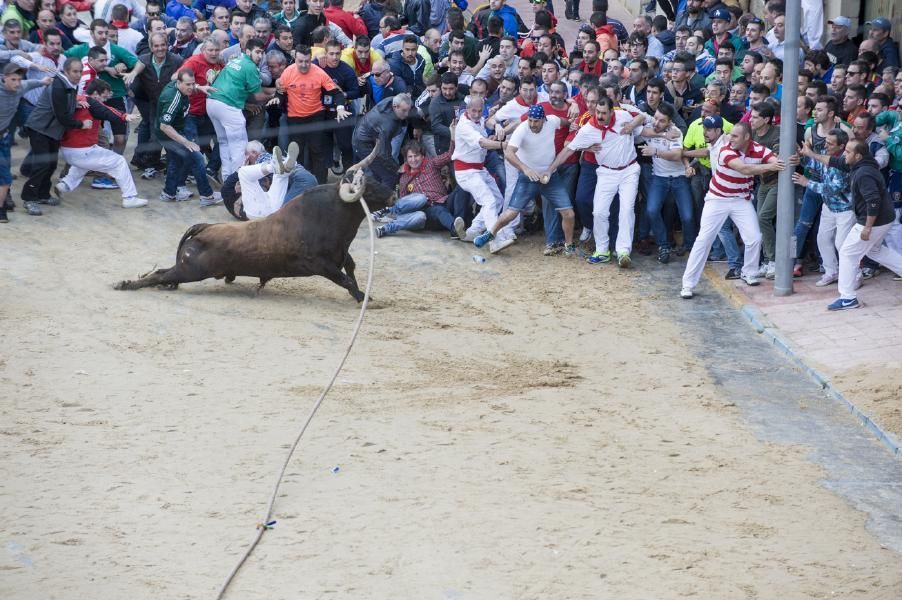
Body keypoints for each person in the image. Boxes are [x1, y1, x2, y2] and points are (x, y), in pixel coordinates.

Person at [680, 120, 785, 299]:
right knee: (703, 240)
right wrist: (770, 166)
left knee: (754, 238)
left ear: (746, 137)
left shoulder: (757, 149)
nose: (729, 138)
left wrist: (780, 162)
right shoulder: (726, 150)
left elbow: (776, 161)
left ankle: (748, 272)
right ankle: (688, 284)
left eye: (735, 136)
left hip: (740, 200)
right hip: (717, 199)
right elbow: (744, 169)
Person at [547, 95, 642, 267]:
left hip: (629, 170)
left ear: (612, 112)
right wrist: (550, 169)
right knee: (599, 212)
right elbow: (569, 149)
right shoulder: (589, 128)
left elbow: (643, 118)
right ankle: (602, 250)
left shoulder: (623, 115)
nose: (599, 116)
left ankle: (623, 251)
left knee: (627, 210)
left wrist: (633, 125)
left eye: (603, 113)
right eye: (597, 111)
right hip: (606, 172)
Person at [476, 104, 575, 255]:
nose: (532, 124)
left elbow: (563, 121)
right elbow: (509, 153)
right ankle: (491, 233)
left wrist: (571, 124)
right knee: (511, 213)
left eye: (536, 121)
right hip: (528, 177)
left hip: (550, 176)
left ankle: (569, 246)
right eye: (530, 120)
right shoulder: (522, 129)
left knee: (568, 213)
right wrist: (525, 169)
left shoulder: (552, 121)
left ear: (544, 120)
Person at [823, 140, 902, 310]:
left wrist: (867, 227)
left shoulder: (864, 173)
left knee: (847, 253)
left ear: (857, 156)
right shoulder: (861, 165)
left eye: (848, 152)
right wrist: (809, 153)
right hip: (883, 218)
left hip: (874, 220)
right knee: (875, 251)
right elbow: (836, 161)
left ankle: (848, 298)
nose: (844, 154)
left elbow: (873, 201)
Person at [54, 79, 148, 209]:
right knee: (119, 161)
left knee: (86, 162)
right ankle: (129, 198)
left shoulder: (74, 100)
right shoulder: (90, 102)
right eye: (103, 97)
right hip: (82, 150)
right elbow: (106, 111)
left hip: (68, 150)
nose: (104, 100)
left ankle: (65, 184)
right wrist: (124, 116)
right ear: (95, 94)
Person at [21, 57, 90, 216]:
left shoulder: (67, 83)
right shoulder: (59, 85)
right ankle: (29, 198)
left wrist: (74, 105)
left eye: (80, 71)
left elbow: (65, 107)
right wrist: (81, 124)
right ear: (66, 71)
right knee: (43, 165)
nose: (78, 74)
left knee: (50, 164)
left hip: (50, 130)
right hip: (40, 129)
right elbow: (62, 116)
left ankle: (43, 195)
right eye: (75, 71)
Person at [277, 44, 349, 183]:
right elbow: (281, 93)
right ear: (295, 59)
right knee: (296, 152)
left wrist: (340, 107)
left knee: (317, 151)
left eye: (307, 61)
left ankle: (320, 183)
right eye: (300, 61)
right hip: (295, 117)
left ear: (311, 59)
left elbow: (336, 93)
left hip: (315, 115)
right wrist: (276, 99)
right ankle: (298, 182)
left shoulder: (318, 72)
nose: (304, 65)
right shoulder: (288, 72)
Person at [791, 128, 853, 287]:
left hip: (845, 209)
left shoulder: (844, 162)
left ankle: (855, 275)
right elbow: (815, 166)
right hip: (829, 207)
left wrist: (807, 183)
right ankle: (831, 272)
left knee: (842, 244)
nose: (826, 145)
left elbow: (834, 188)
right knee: (823, 239)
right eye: (826, 141)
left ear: (841, 146)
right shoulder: (826, 155)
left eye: (830, 143)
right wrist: (803, 157)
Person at [372, 139, 467, 239]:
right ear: (406, 159)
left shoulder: (431, 163)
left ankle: (459, 224)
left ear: (422, 156)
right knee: (422, 199)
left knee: (463, 187)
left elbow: (450, 155)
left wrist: (452, 137)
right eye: (410, 157)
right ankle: (455, 229)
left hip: (445, 202)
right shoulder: (404, 178)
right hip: (428, 212)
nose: (413, 160)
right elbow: (404, 205)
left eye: (416, 155)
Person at [637, 102, 695, 263]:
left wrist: (655, 151)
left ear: (669, 121)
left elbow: (677, 155)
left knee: (688, 216)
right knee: (652, 210)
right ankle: (664, 245)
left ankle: (689, 246)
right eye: (656, 118)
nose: (656, 123)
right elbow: (632, 116)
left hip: (679, 177)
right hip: (659, 178)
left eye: (662, 121)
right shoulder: (649, 126)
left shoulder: (675, 131)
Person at [206, 37, 271, 180]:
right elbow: (259, 96)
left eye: (262, 53)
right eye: (258, 52)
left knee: (224, 143)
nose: (260, 56)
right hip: (228, 107)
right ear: (248, 51)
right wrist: (275, 93)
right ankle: (238, 183)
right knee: (239, 148)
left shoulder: (235, 60)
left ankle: (227, 179)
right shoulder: (250, 67)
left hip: (212, 102)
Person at [156, 69, 222, 205]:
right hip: (169, 134)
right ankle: (207, 196)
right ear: (179, 82)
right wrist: (186, 142)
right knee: (197, 157)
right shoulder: (173, 99)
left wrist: (200, 87)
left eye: (193, 84)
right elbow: (165, 126)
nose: (191, 87)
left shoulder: (178, 86)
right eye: (188, 85)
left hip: (173, 131)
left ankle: (168, 193)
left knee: (176, 161)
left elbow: (190, 86)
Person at [451, 96, 508, 249]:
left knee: (497, 200)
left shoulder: (479, 119)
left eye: (479, 110)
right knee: (488, 201)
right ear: (467, 109)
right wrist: (502, 145)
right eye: (473, 111)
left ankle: (473, 232)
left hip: (478, 168)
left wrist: (496, 126)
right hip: (465, 171)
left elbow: (487, 120)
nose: (477, 114)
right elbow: (482, 142)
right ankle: (495, 240)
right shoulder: (464, 125)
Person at [0, 63, 50, 222]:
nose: (16, 83)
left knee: (5, 170)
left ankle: (5, 198)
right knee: (5, 176)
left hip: (4, 136)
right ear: (4, 78)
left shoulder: (21, 86)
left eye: (19, 79)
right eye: (13, 79)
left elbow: (34, 83)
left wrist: (45, 81)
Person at [351, 93, 413, 187]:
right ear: (395, 107)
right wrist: (397, 168)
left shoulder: (392, 100)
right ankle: (384, 199)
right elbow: (383, 153)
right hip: (363, 144)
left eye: (408, 110)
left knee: (378, 173)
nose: (407, 114)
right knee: (389, 176)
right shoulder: (387, 125)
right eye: (404, 111)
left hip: (370, 135)